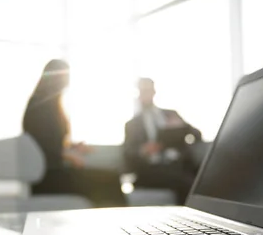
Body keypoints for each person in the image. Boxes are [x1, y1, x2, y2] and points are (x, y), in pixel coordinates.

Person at [22, 59, 126, 208]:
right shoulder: (39, 106)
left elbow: (51, 140)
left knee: (107, 179)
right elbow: (41, 146)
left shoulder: (52, 105)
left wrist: (72, 146)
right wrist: (67, 155)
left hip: (57, 172)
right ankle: (122, 226)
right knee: (109, 178)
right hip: (47, 178)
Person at [123, 78, 202, 205]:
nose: (146, 93)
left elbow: (197, 135)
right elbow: (128, 152)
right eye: (142, 90)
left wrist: (182, 126)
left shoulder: (171, 115)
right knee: (186, 182)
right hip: (151, 169)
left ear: (154, 91)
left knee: (206, 175)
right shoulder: (132, 124)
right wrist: (143, 150)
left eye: (148, 90)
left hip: (179, 164)